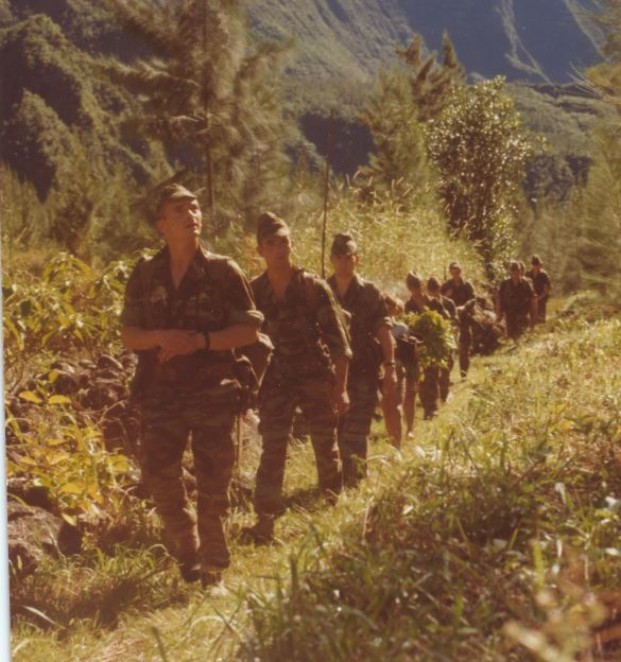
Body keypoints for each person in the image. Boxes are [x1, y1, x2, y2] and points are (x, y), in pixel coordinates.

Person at [120, 183, 262, 588]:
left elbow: (249, 329)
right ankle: (188, 545)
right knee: (157, 475)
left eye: (196, 207)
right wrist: (163, 338)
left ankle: (214, 571)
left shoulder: (222, 270)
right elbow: (130, 334)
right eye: (180, 210)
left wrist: (199, 341)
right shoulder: (146, 273)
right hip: (161, 392)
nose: (191, 215)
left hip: (213, 389)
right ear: (162, 223)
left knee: (213, 482)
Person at [243, 212, 351, 543]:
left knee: (324, 443)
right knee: (272, 448)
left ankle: (335, 509)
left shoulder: (312, 287)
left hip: (314, 376)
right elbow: (244, 343)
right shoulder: (254, 292)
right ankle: (264, 523)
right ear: (260, 249)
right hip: (275, 381)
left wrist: (341, 389)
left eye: (284, 242)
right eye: (271, 244)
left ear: (293, 244)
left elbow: (340, 344)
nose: (279, 249)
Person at [327, 233, 397, 484]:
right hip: (334, 374)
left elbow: (385, 331)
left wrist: (390, 367)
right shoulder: (323, 291)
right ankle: (344, 481)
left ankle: (355, 485)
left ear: (357, 259)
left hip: (364, 372)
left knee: (355, 432)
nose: (344, 263)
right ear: (331, 259)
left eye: (349, 257)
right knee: (338, 431)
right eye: (339, 258)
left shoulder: (369, 292)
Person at [403, 272, 443, 425]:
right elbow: (407, 324)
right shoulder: (409, 305)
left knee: (432, 375)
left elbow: (444, 318)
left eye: (418, 287)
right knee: (421, 378)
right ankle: (427, 406)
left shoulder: (434, 302)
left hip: (433, 343)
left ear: (422, 286)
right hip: (417, 344)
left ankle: (432, 407)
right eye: (413, 288)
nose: (416, 291)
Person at [440, 262, 475, 379]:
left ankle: (464, 373)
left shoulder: (467, 285)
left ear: (461, 272)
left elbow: (473, 299)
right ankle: (447, 374)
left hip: (465, 318)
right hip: (451, 320)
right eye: (453, 272)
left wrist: (465, 307)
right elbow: (438, 300)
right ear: (450, 272)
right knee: (450, 347)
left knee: (465, 346)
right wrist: (446, 296)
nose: (455, 275)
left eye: (457, 272)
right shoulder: (446, 286)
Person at [426, 277, 457, 403]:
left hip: (446, 338)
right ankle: (436, 396)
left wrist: (450, 327)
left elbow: (455, 320)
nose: (433, 294)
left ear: (440, 289)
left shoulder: (448, 303)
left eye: (436, 290)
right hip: (432, 340)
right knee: (433, 370)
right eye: (431, 291)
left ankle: (444, 394)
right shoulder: (425, 303)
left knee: (447, 367)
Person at [496, 260, 537, 339]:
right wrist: (499, 315)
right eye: (513, 271)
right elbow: (499, 300)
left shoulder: (526, 284)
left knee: (522, 336)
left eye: (517, 271)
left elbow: (533, 300)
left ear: (520, 271)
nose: (515, 273)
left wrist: (533, 319)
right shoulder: (504, 284)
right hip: (510, 315)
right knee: (511, 337)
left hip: (523, 315)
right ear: (510, 272)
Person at [525, 255, 552, 323]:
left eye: (538, 264)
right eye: (535, 264)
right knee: (532, 319)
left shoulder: (543, 275)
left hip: (541, 299)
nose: (536, 266)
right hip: (530, 300)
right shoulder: (528, 274)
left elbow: (548, 288)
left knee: (541, 318)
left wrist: (540, 297)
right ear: (532, 265)